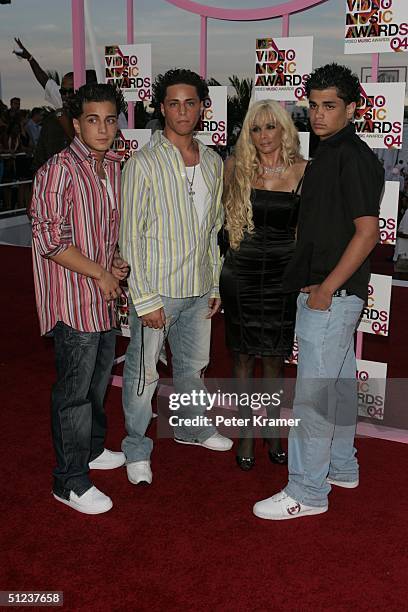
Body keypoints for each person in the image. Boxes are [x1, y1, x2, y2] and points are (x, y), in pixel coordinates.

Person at [253, 63, 384, 520]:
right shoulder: (328, 152)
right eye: (313, 106)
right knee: (340, 388)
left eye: (330, 106)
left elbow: (367, 233)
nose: (319, 114)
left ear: (352, 108)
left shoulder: (354, 157)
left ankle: (307, 491)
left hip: (331, 295)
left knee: (313, 397)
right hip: (330, 295)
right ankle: (342, 467)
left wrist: (326, 288)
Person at [120, 68, 233, 486]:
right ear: (161, 108)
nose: (182, 111)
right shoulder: (143, 163)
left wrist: (215, 283)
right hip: (158, 291)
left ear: (203, 107)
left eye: (191, 102)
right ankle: (136, 446)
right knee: (143, 372)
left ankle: (191, 427)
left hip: (200, 288)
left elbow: (214, 230)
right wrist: (145, 299)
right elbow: (130, 235)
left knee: (194, 367)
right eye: (173, 103)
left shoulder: (214, 163)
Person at [30, 83, 129, 515]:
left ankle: (90, 450)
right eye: (93, 119)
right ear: (76, 123)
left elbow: (104, 230)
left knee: (95, 384)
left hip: (104, 299)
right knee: (73, 391)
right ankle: (68, 480)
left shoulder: (112, 167)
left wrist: (116, 261)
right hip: (74, 301)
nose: (104, 128)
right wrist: (101, 272)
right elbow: (51, 240)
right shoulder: (59, 169)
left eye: (110, 119)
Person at [219, 99, 307, 470]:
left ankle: (272, 429)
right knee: (242, 357)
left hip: (283, 275)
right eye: (256, 129)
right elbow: (223, 226)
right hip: (241, 271)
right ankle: (245, 435)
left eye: (270, 127)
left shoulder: (305, 171)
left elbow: (307, 231)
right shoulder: (235, 168)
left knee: (274, 358)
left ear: (284, 129)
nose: (263, 135)